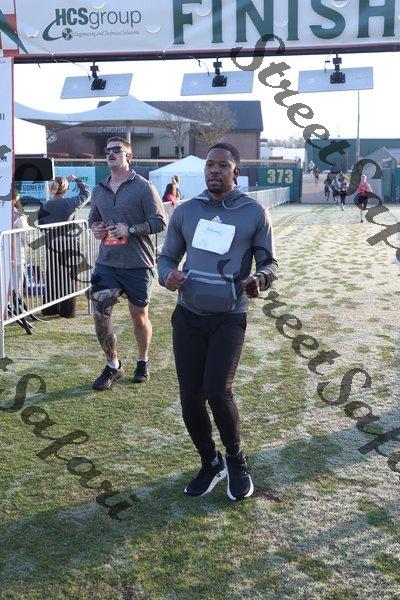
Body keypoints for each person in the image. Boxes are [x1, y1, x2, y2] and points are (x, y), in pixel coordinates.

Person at [158, 142, 278, 501]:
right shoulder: (186, 211)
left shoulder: (253, 212)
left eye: (223, 165)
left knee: (217, 391)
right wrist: (168, 276)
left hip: (229, 317)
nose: (214, 170)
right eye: (210, 164)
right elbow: (166, 258)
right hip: (188, 316)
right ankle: (210, 463)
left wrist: (260, 279)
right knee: (190, 398)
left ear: (235, 171)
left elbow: (269, 263)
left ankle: (236, 460)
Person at [88, 136, 166, 391]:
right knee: (100, 314)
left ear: (128, 156)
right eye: (107, 150)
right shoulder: (99, 189)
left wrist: (130, 229)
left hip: (138, 263)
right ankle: (113, 365)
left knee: (139, 317)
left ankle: (143, 361)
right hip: (107, 263)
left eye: (117, 150)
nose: (110, 153)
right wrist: (96, 228)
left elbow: (160, 222)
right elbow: (93, 220)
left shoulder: (143, 187)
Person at [38, 174, 91, 318]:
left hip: (52, 244)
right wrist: (77, 180)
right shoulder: (69, 203)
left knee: (52, 275)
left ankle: (50, 308)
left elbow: (41, 225)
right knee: (69, 277)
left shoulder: (45, 205)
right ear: (66, 189)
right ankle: (67, 311)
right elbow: (87, 194)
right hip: (69, 244)